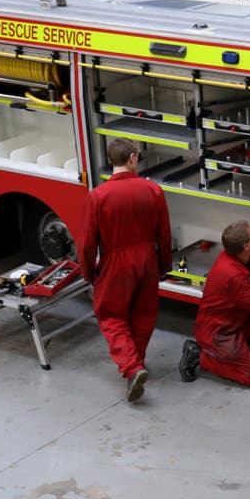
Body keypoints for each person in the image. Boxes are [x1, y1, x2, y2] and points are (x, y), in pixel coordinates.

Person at [79, 138, 172, 403]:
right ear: (132, 158)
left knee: (111, 315)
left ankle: (132, 367)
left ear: (112, 160)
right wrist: (163, 266)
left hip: (116, 261)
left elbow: (86, 241)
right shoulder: (153, 190)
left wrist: (89, 272)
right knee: (143, 315)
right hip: (147, 259)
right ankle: (137, 364)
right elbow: (164, 235)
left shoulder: (98, 196)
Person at [179, 220, 250, 387]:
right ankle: (201, 355)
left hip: (236, 320)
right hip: (219, 332)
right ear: (246, 246)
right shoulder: (233, 276)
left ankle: (234, 355)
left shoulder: (236, 253)